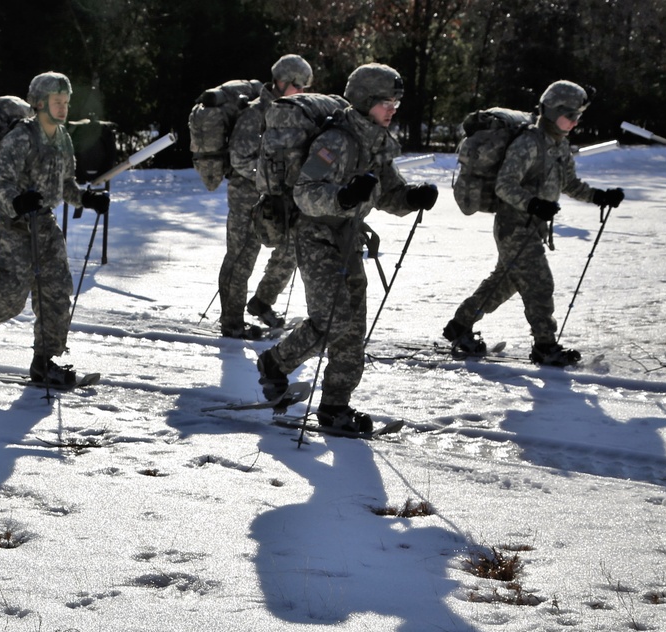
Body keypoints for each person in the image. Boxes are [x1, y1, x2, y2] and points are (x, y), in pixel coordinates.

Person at [256, 64, 439, 433]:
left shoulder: (376, 141)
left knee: (353, 328)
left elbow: (388, 192)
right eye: (385, 102)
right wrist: (342, 196)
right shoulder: (336, 140)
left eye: (396, 104)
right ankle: (275, 363)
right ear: (366, 101)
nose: (391, 109)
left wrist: (412, 196)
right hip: (318, 236)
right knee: (332, 321)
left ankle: (335, 406)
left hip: (349, 239)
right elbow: (306, 193)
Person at [442, 80, 624, 366]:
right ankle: (545, 346)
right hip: (513, 225)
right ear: (552, 111)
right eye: (570, 116)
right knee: (539, 283)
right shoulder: (529, 143)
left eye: (579, 117)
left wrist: (600, 196)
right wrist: (533, 203)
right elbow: (504, 185)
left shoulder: (559, 145)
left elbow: (570, 183)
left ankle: (459, 325)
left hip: (532, 227)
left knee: (504, 283)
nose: (575, 122)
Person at [0, 72, 109, 384]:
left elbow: (65, 184)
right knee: (7, 303)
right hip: (13, 229)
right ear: (39, 103)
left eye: (65, 102)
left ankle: (44, 362)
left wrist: (86, 199)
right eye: (57, 102)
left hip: (45, 226)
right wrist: (19, 203)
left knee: (57, 294)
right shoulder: (18, 139)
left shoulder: (63, 138)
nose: (63, 108)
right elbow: (1, 187)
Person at [217, 54, 312, 339]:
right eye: (298, 86)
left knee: (292, 249)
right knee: (241, 257)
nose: (302, 93)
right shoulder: (255, 114)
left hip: (278, 197)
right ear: (281, 82)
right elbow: (240, 158)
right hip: (247, 196)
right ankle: (232, 323)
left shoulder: (291, 113)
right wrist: (273, 177)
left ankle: (262, 302)